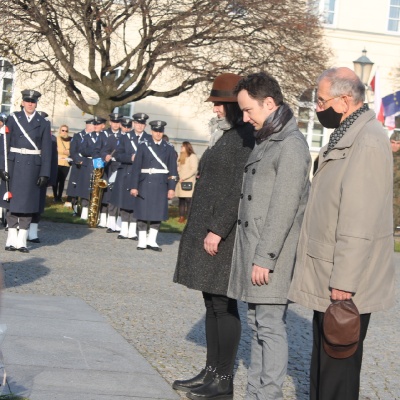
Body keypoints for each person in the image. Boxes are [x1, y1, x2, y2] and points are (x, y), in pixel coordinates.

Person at [287, 67, 395, 400]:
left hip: (345, 282)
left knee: (338, 372)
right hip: (330, 271)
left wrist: (344, 283)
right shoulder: (349, 133)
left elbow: (359, 220)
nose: (317, 108)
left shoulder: (367, 141)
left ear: (345, 100)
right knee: (325, 367)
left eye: (321, 101)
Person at [226, 72, 311, 400]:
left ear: (270, 103)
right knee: (259, 325)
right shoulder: (270, 139)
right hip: (257, 251)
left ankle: (268, 395)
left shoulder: (290, 144)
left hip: (271, 255)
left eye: (249, 110)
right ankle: (256, 394)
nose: (245, 118)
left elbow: (284, 207)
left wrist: (265, 258)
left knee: (270, 327)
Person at [172, 73, 255, 400]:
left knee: (223, 304)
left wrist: (218, 229)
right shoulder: (227, 134)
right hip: (207, 230)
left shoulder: (245, 136)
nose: (216, 110)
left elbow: (238, 188)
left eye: (221, 104)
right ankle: (210, 372)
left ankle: (223, 380)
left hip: (222, 234)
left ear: (235, 106)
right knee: (212, 303)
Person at [0, 89, 52, 253]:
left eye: (33, 101)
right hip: (14, 164)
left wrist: (44, 172)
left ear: (36, 103)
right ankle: (11, 239)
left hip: (32, 167)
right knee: (13, 204)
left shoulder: (43, 123)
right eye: (28, 101)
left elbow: (47, 150)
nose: (30, 104)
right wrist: (2, 167)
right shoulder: (13, 119)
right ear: (22, 102)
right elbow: (4, 145)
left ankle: (22, 240)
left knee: (27, 205)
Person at [129, 120, 178, 251]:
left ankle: (152, 241)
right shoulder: (143, 146)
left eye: (160, 131)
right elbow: (136, 168)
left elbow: (173, 171)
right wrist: (134, 186)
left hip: (161, 185)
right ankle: (142, 241)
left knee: (157, 214)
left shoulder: (169, 148)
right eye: (156, 131)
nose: (158, 134)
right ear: (151, 131)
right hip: (144, 183)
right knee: (143, 213)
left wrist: (171, 188)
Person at [112, 113, 151, 240]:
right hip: (126, 172)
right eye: (137, 123)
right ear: (134, 123)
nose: (139, 126)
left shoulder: (149, 138)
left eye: (142, 124)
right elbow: (118, 155)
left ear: (145, 125)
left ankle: (133, 230)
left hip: (141, 175)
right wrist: (130, 158)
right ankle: (123, 229)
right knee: (124, 201)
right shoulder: (125, 137)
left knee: (136, 202)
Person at [66, 119, 94, 216]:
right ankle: (75, 210)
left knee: (86, 188)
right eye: (91, 126)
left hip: (88, 165)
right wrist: (79, 160)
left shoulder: (94, 137)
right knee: (75, 188)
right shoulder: (78, 136)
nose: (93, 128)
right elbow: (73, 151)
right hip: (78, 166)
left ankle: (86, 210)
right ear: (87, 126)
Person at [175, 141, 198, 223]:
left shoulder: (192, 156)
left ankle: (189, 217)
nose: (181, 147)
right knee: (181, 200)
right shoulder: (181, 156)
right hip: (180, 181)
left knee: (189, 200)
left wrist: (184, 178)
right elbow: (178, 167)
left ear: (187, 147)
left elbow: (194, 169)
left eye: (183, 146)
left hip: (188, 182)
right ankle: (181, 217)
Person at [52, 124, 71, 202]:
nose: (64, 132)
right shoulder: (56, 139)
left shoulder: (70, 139)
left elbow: (72, 149)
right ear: (60, 130)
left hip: (66, 162)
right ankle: (55, 196)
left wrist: (68, 152)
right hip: (57, 162)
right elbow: (55, 149)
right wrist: (63, 151)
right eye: (63, 130)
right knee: (56, 180)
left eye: (66, 131)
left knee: (62, 180)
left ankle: (60, 196)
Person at [390, 130, 400, 234]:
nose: (395, 146)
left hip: (396, 200)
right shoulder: (382, 155)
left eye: (398, 143)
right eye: (392, 142)